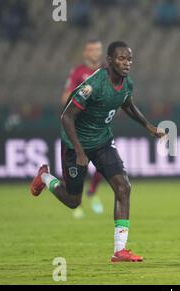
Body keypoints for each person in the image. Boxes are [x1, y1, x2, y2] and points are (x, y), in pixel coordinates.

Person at [31, 41, 166, 262]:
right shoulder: (93, 85)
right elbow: (66, 116)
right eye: (121, 59)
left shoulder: (127, 84)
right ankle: (45, 177)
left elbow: (127, 104)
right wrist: (79, 150)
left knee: (123, 187)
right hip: (76, 145)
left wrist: (148, 126)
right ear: (109, 61)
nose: (127, 63)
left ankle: (119, 251)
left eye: (129, 59)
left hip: (102, 142)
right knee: (73, 200)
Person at [61, 39, 105, 219]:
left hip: (99, 127)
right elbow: (65, 96)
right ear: (85, 52)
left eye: (97, 49)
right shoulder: (78, 72)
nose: (95, 53)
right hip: (78, 127)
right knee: (77, 166)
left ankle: (92, 193)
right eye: (91, 49)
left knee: (104, 165)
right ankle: (74, 201)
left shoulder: (106, 71)